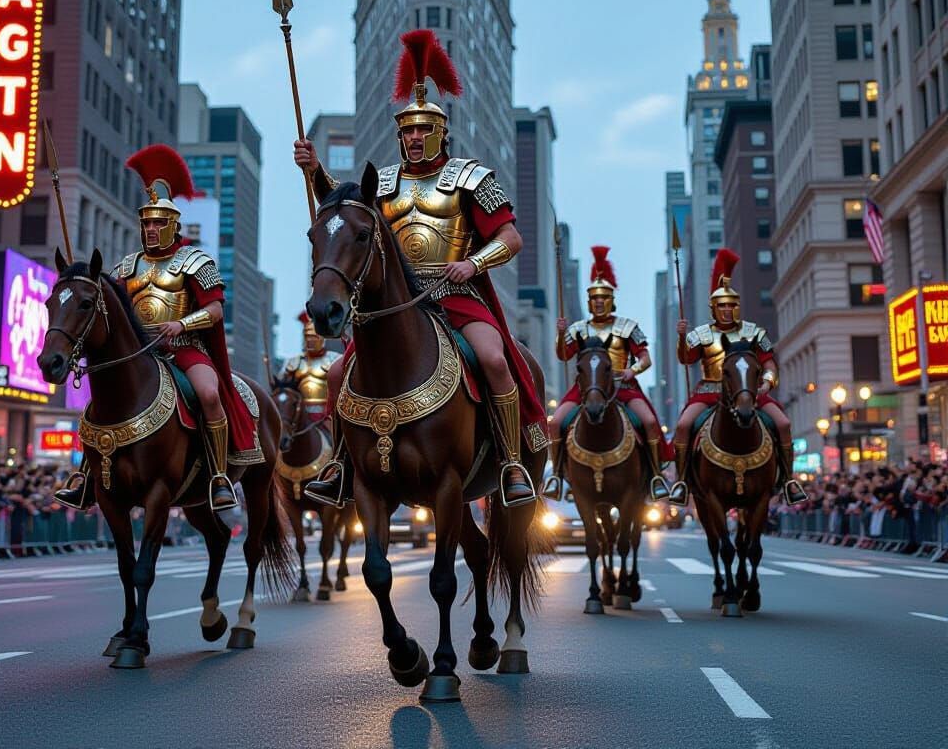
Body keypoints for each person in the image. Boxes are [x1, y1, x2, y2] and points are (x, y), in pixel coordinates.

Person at [293, 30, 547, 508]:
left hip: (457, 297)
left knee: (494, 360)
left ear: (439, 133)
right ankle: (342, 464)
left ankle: (512, 461)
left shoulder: (470, 178)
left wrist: (473, 263)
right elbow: (346, 210)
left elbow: (511, 237)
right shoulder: (383, 184)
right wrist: (314, 171)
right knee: (333, 378)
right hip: (398, 301)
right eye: (407, 131)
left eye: (422, 130)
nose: (413, 138)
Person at [54, 145, 254, 512]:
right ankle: (85, 476)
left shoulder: (195, 260)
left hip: (186, 348)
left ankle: (219, 476)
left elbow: (215, 310)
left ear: (174, 226)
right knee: (100, 406)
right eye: (146, 222)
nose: (151, 229)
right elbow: (107, 311)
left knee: (208, 394)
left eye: (159, 223)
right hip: (138, 351)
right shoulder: (125, 267)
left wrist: (181, 323)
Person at [668, 248, 807, 507]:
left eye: (731, 305)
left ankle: (789, 479)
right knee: (683, 426)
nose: (727, 310)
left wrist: (767, 382)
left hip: (750, 392)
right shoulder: (701, 334)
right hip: (709, 392)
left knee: (784, 423)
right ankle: (682, 481)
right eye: (722, 306)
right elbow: (686, 359)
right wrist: (681, 337)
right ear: (713, 308)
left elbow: (769, 363)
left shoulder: (753, 332)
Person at [544, 246, 671, 501]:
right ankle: (557, 475)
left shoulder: (627, 327)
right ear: (590, 302)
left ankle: (656, 475)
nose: (599, 302)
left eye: (603, 298)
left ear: (611, 300)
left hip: (622, 387)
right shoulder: (578, 329)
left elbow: (646, 358)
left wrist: (631, 370)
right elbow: (564, 355)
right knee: (556, 422)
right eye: (594, 299)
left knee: (647, 422)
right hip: (584, 388)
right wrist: (560, 334)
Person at [276, 311, 341, 417]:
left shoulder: (335, 360)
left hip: (328, 415)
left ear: (322, 339)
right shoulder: (293, 362)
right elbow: (281, 388)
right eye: (308, 337)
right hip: (299, 415)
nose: (310, 341)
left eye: (314, 337)